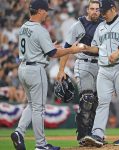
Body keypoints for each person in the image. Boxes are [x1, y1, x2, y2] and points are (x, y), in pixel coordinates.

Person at [10, 0, 85, 150]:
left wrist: (52, 47)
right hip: (35, 70)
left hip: (23, 69)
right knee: (39, 108)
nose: (47, 13)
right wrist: (72, 50)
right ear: (39, 11)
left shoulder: (24, 27)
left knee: (32, 105)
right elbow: (53, 54)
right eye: (45, 10)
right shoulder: (40, 30)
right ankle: (41, 145)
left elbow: (42, 49)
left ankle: (19, 132)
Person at [80, 0, 119, 147]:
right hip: (104, 69)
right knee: (102, 102)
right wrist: (86, 48)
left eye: (105, 11)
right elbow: (97, 48)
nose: (103, 14)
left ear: (113, 9)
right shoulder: (100, 26)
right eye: (102, 12)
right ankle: (98, 134)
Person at [56, 0, 103, 146]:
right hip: (84, 63)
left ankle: (94, 134)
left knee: (97, 101)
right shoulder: (78, 26)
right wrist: (61, 70)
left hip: (101, 65)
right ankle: (83, 135)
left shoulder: (105, 25)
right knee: (87, 97)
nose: (95, 11)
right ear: (87, 10)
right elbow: (66, 48)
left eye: (97, 9)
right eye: (92, 8)